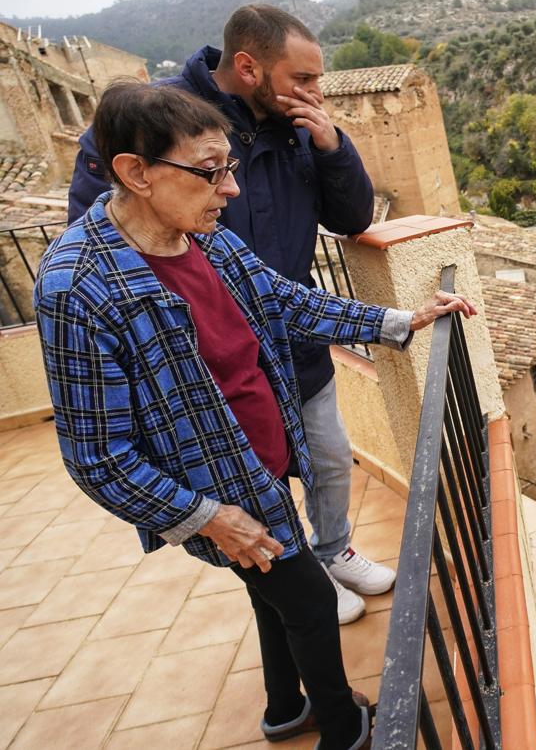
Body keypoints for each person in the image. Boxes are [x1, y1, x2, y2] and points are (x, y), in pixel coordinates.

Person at [38, 81, 477, 749]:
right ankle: (343, 726)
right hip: (218, 490)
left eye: (230, 169)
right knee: (307, 598)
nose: (230, 189)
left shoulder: (204, 237)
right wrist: (208, 517)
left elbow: (282, 300)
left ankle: (282, 708)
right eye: (210, 172)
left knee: (271, 592)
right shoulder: (78, 285)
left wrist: (397, 320)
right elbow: (98, 455)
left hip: (264, 460)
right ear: (135, 172)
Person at [70, 4, 388, 623]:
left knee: (326, 459)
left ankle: (330, 552)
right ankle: (300, 582)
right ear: (247, 67)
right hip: (213, 360)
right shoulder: (150, 125)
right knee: (255, 484)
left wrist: (332, 146)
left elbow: (352, 220)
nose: (316, 94)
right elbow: (104, 232)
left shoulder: (296, 127)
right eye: (303, 80)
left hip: (294, 345)